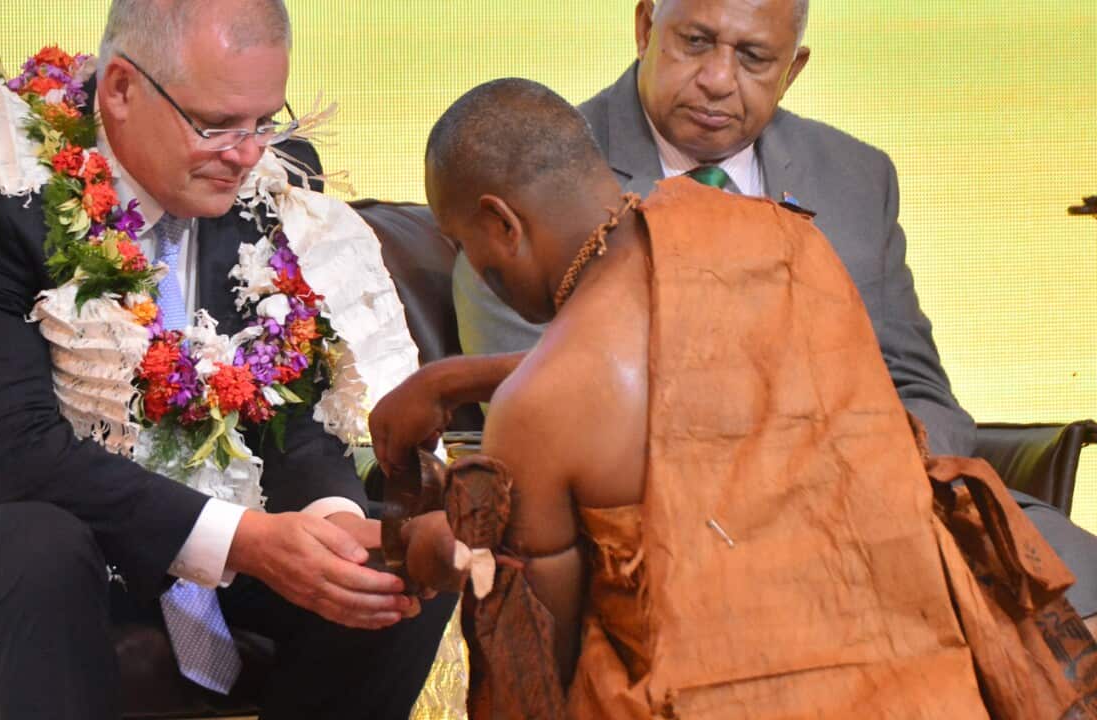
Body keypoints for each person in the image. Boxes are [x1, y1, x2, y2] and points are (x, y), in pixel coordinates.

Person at [0, 1, 451, 718]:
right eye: (216, 125)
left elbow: (289, 403)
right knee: (43, 546)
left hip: (167, 523)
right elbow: (7, 452)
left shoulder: (265, 177)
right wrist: (246, 541)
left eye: (264, 121)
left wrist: (333, 519)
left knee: (385, 576)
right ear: (121, 89)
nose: (249, 154)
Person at [410, 0, 1097, 626]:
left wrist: (881, 477)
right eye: (696, 41)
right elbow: (549, 406)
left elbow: (920, 391)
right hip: (685, 561)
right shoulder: (530, 162)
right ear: (646, 24)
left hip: (890, 514)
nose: (716, 78)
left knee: (1072, 584)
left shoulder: (857, 176)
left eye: (752, 57)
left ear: (792, 69)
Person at [409, 77, 1016, 719]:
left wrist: (442, 550)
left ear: (501, 223)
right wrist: (454, 379)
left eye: (465, 247)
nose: (474, 270)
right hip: (924, 690)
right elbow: (695, 375)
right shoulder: (792, 245)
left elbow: (536, 673)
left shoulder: (539, 409)